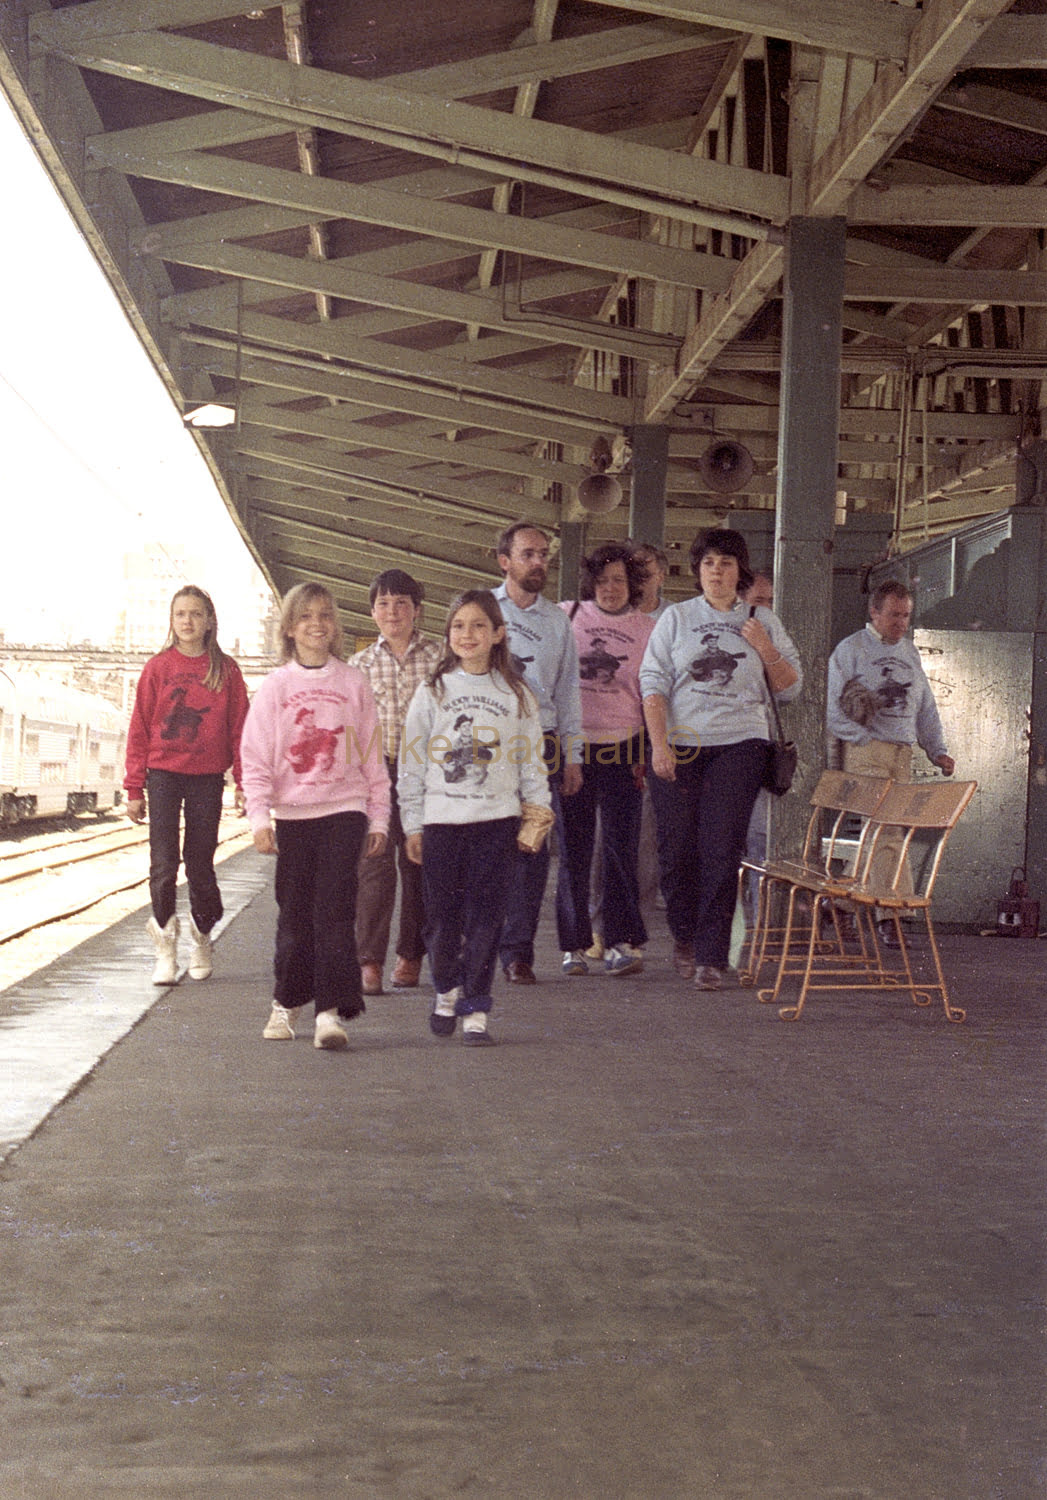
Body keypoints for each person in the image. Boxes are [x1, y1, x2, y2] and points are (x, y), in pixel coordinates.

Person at [640, 528, 802, 991]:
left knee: (720, 847)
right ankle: (685, 937)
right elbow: (653, 681)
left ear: (740, 571)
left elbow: (792, 688)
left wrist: (765, 648)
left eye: (726, 563)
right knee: (676, 850)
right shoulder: (675, 618)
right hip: (682, 742)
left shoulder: (762, 620)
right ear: (697, 571)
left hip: (741, 743)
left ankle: (712, 956)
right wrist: (658, 744)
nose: (717, 571)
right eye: (708, 563)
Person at [240, 583, 390, 1050]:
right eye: (305, 616)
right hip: (294, 816)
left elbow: (371, 755)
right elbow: (255, 756)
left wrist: (380, 818)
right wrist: (260, 817)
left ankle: (329, 1013)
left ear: (335, 625)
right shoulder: (275, 687)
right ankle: (285, 1003)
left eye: (325, 615)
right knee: (294, 914)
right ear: (289, 628)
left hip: (345, 809)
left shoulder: (353, 682)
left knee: (334, 911)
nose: (317, 624)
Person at [398, 590, 552, 1045]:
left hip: (497, 822)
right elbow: (413, 763)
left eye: (479, 626)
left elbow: (531, 763)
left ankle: (476, 1008)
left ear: (498, 634)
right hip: (443, 822)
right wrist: (412, 824)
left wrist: (537, 817)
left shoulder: (517, 694)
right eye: (459, 626)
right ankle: (446, 987)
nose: (468, 634)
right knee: (442, 919)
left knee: (487, 918)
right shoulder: (433, 692)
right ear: (448, 635)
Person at [124, 585, 249, 986]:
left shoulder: (226, 670)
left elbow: (240, 730)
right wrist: (133, 788)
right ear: (172, 621)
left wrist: (244, 782)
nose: (188, 622)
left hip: (207, 778)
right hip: (163, 775)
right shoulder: (157, 668)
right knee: (163, 865)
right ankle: (164, 947)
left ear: (210, 620)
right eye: (181, 614)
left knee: (200, 863)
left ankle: (201, 935)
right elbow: (140, 728)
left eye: (196, 614)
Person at [827, 578, 955, 945]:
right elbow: (832, 706)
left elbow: (925, 705)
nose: (901, 623)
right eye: (894, 615)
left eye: (906, 616)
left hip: (902, 751)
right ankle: (892, 915)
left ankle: (841, 903)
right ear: (874, 612)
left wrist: (936, 749)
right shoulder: (850, 650)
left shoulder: (910, 653)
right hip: (867, 750)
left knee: (883, 831)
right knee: (887, 830)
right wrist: (861, 739)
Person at [557, 543, 653, 977]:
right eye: (602, 580)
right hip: (574, 747)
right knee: (573, 847)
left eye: (618, 580)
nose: (610, 588)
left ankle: (619, 940)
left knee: (620, 847)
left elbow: (655, 693)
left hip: (625, 746)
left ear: (632, 584)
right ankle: (573, 945)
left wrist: (648, 752)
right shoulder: (567, 616)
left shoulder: (649, 629)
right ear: (589, 583)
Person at [492, 522, 583, 984]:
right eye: (528, 554)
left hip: (541, 743)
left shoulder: (557, 621)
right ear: (504, 561)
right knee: (488, 842)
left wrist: (574, 756)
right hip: (490, 742)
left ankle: (517, 952)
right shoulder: (484, 611)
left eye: (544, 555)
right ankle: (482, 939)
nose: (539, 563)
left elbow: (568, 692)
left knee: (531, 846)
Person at [350, 569, 441, 996]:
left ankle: (410, 956)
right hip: (376, 773)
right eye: (384, 604)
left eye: (402, 603)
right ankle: (369, 960)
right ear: (372, 613)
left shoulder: (441, 657)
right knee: (374, 866)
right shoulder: (359, 665)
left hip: (426, 772)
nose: (393, 612)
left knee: (418, 863)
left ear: (417, 610)